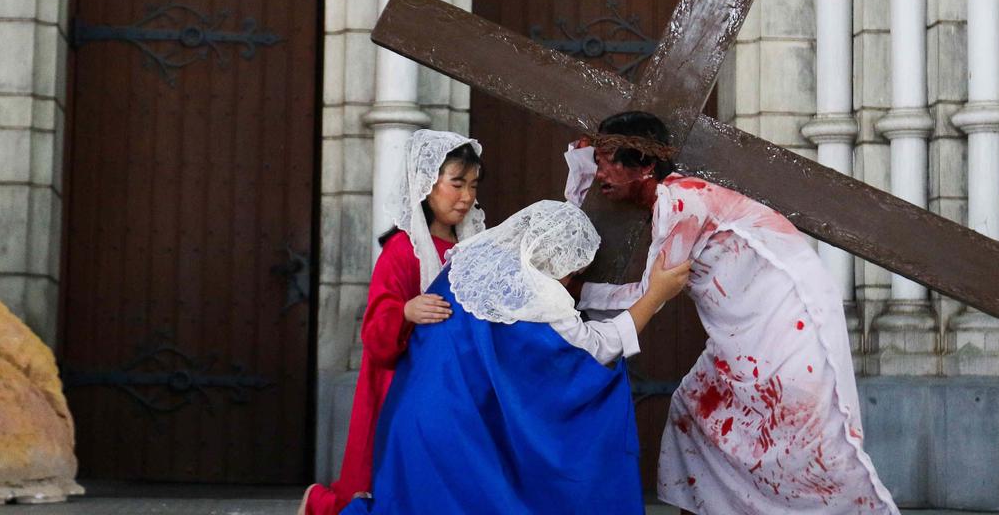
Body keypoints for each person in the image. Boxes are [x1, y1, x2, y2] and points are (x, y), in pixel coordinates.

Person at [565, 111, 900, 514]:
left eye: (607, 162)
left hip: (787, 319)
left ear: (645, 164)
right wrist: (581, 162)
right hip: (740, 331)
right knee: (694, 410)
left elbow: (650, 294)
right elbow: (579, 216)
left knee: (807, 437)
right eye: (597, 162)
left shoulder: (682, 202)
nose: (601, 174)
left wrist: (578, 292)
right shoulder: (674, 200)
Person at [341, 200, 691, 515]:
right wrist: (655, 295)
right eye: (574, 272)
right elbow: (597, 349)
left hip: (411, 417)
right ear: (557, 260)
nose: (570, 283)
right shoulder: (540, 296)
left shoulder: (466, 265)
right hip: (461, 438)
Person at [301, 130, 485, 515]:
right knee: (385, 481)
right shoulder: (402, 250)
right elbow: (374, 330)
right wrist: (405, 311)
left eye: (473, 185)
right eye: (456, 183)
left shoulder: (472, 250)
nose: (467, 196)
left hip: (451, 385)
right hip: (399, 385)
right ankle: (320, 504)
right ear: (426, 185)